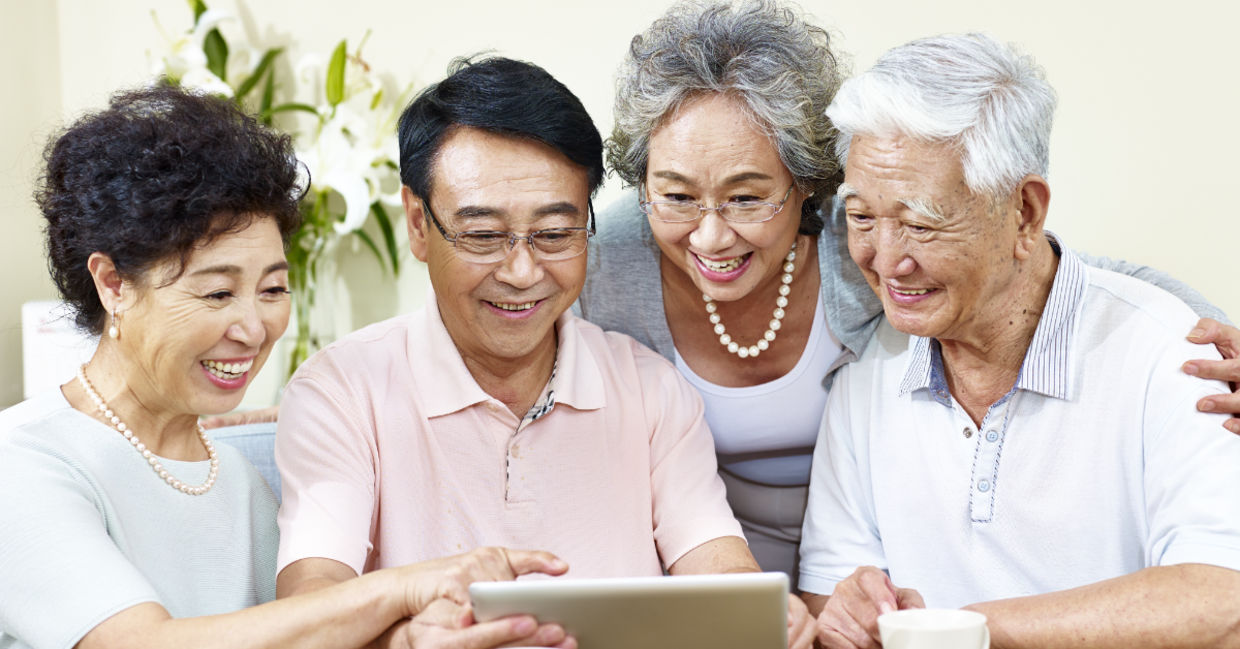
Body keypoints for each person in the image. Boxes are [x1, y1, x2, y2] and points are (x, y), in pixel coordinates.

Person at [577, 0, 1240, 583]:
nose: (712, 235)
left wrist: (1204, 327)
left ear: (807, 186)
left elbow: (1050, 263)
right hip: (703, 584)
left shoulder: (854, 242)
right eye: (676, 195)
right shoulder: (602, 267)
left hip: (839, 582)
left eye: (747, 197)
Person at [0, 84, 573, 649]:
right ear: (113, 283)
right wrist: (404, 588)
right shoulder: (25, 462)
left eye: (273, 289)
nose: (254, 329)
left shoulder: (237, 479)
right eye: (218, 294)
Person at [272, 56, 816, 649]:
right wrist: (402, 638)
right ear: (417, 224)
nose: (523, 271)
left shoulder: (651, 389)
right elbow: (308, 609)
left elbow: (718, 567)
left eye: (556, 234)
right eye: (483, 235)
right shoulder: (342, 391)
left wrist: (761, 616)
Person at [797, 33, 1240, 648]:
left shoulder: (1171, 358)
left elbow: (1223, 599)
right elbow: (831, 593)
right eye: (863, 217)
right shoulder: (866, 374)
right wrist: (848, 614)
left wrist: (963, 630)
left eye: (921, 223)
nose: (885, 260)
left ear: (1025, 214)